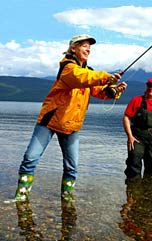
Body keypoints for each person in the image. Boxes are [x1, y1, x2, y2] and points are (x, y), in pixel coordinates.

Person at [15, 34, 127, 202]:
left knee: (72, 167)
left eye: (89, 47)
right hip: (50, 122)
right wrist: (105, 77)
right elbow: (80, 78)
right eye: (84, 45)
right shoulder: (67, 67)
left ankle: (67, 199)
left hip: (72, 125)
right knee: (30, 159)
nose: (88, 49)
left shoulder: (89, 72)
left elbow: (100, 91)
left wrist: (114, 91)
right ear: (73, 48)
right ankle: (21, 197)